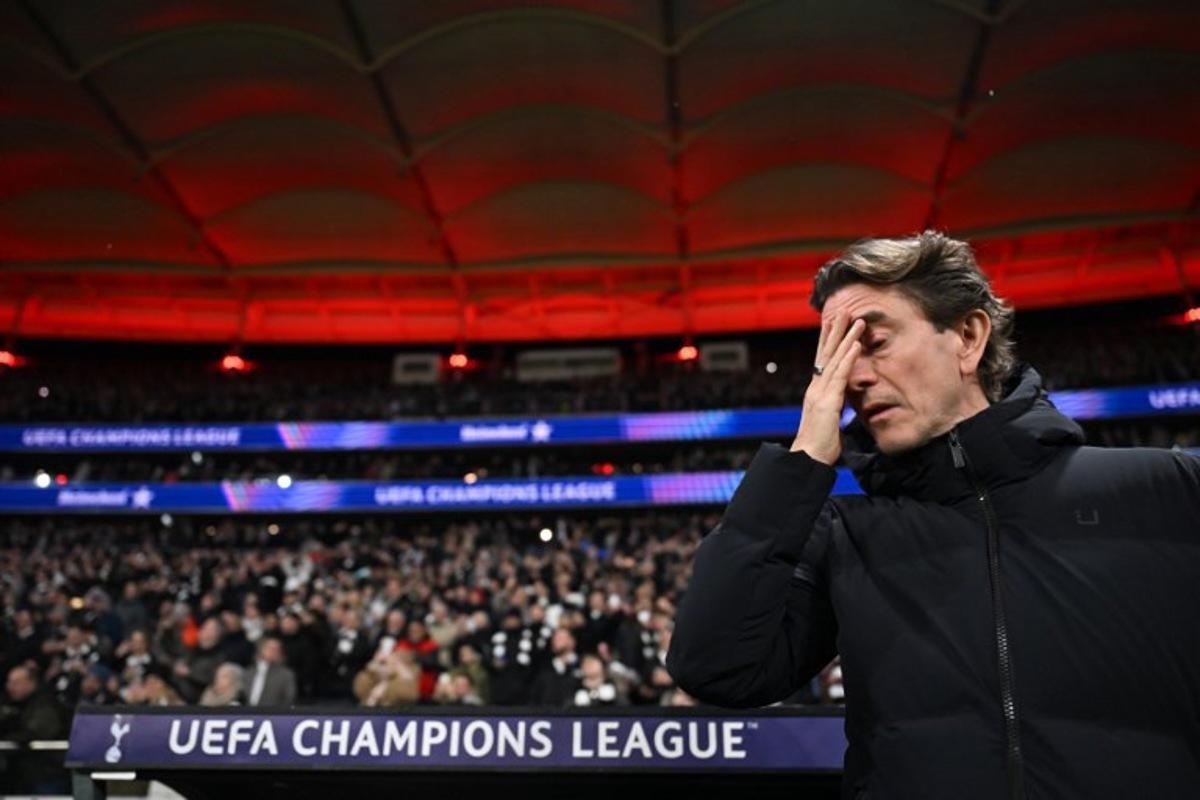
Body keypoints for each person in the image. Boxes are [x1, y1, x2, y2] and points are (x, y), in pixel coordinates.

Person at [666, 231, 1200, 799]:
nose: (853, 378)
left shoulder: (1168, 491)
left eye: (872, 342)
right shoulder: (849, 536)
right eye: (834, 358)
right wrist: (800, 463)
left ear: (968, 337)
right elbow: (715, 666)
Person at [243, 636, 297, 707]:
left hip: (272, 714)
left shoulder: (286, 674)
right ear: (261, 649)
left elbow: (289, 699)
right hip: (246, 714)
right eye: (270, 648)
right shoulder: (248, 672)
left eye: (277, 649)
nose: (273, 651)